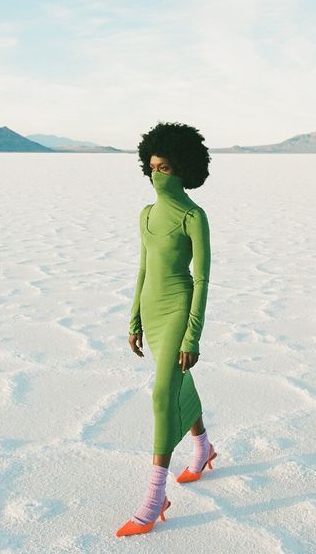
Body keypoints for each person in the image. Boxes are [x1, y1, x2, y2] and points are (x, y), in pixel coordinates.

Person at [116, 121, 217, 537]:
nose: (158, 175)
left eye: (167, 168)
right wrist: (134, 317)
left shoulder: (194, 215)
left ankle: (155, 497)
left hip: (178, 309)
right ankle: (204, 446)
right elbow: (142, 268)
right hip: (152, 311)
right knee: (176, 382)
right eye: (153, 167)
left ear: (185, 169)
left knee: (162, 394)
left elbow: (202, 279)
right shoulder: (145, 215)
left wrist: (192, 335)